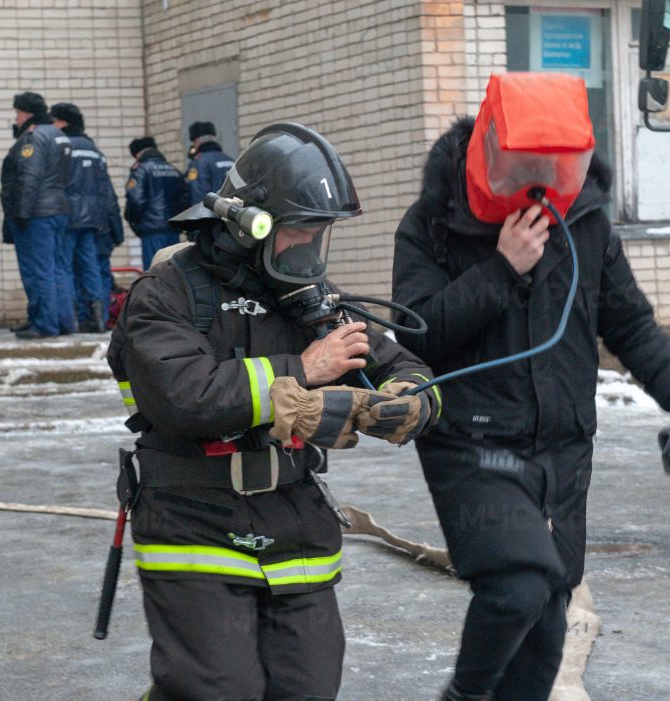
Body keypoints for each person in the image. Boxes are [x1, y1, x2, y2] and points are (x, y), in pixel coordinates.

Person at [390, 73, 670, 701]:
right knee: (517, 587)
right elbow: (417, 334)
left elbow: (629, 323)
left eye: (556, 167)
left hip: (563, 448)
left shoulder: (585, 220)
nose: (539, 181)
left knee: (547, 622)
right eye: (525, 166)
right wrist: (501, 269)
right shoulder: (434, 222)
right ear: (490, 151)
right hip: (472, 443)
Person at [108, 122, 441, 700]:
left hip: (293, 521)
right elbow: (185, 397)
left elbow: (396, 363)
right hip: (192, 518)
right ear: (249, 224)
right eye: (299, 232)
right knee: (217, 692)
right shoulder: (165, 292)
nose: (310, 248)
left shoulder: (309, 298)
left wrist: (410, 399)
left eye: (319, 233)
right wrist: (304, 372)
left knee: (308, 690)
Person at [1, 91, 71, 339]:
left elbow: (29, 178)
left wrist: (21, 213)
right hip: (58, 209)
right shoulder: (59, 135)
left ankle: (44, 324)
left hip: (37, 213)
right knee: (57, 269)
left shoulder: (33, 137)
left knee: (38, 271)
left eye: (18, 113)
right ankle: (62, 322)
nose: (16, 119)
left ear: (27, 114)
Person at [50, 102, 121, 333]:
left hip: (68, 217)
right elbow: (105, 189)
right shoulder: (93, 149)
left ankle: (73, 319)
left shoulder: (62, 146)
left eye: (54, 120)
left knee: (66, 268)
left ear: (63, 122)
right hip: (92, 219)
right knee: (90, 268)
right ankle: (98, 319)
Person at [124, 136, 188, 271]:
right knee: (173, 272)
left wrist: (135, 224)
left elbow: (135, 201)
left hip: (151, 231)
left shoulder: (141, 170)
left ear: (137, 154)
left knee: (153, 273)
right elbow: (185, 200)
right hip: (173, 230)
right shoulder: (174, 170)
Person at [184, 120, 234, 206]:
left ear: (197, 141)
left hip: (211, 212)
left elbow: (198, 196)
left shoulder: (197, 163)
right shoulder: (230, 160)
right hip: (231, 211)